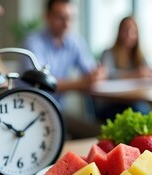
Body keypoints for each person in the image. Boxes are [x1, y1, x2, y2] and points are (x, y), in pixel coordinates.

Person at [20, 0, 107, 138]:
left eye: (70, 18)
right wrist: (82, 83)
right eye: (61, 17)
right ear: (47, 16)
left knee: (101, 130)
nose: (67, 23)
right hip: (30, 109)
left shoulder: (75, 42)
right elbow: (42, 84)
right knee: (98, 133)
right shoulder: (33, 42)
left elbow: (92, 72)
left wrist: (97, 75)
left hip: (58, 109)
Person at [96, 16, 152, 121]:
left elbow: (147, 72)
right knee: (140, 111)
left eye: (133, 31)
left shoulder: (139, 56)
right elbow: (107, 75)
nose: (129, 34)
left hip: (133, 101)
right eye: (125, 30)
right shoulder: (109, 53)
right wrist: (134, 75)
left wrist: (148, 75)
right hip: (111, 104)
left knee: (146, 112)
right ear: (119, 32)